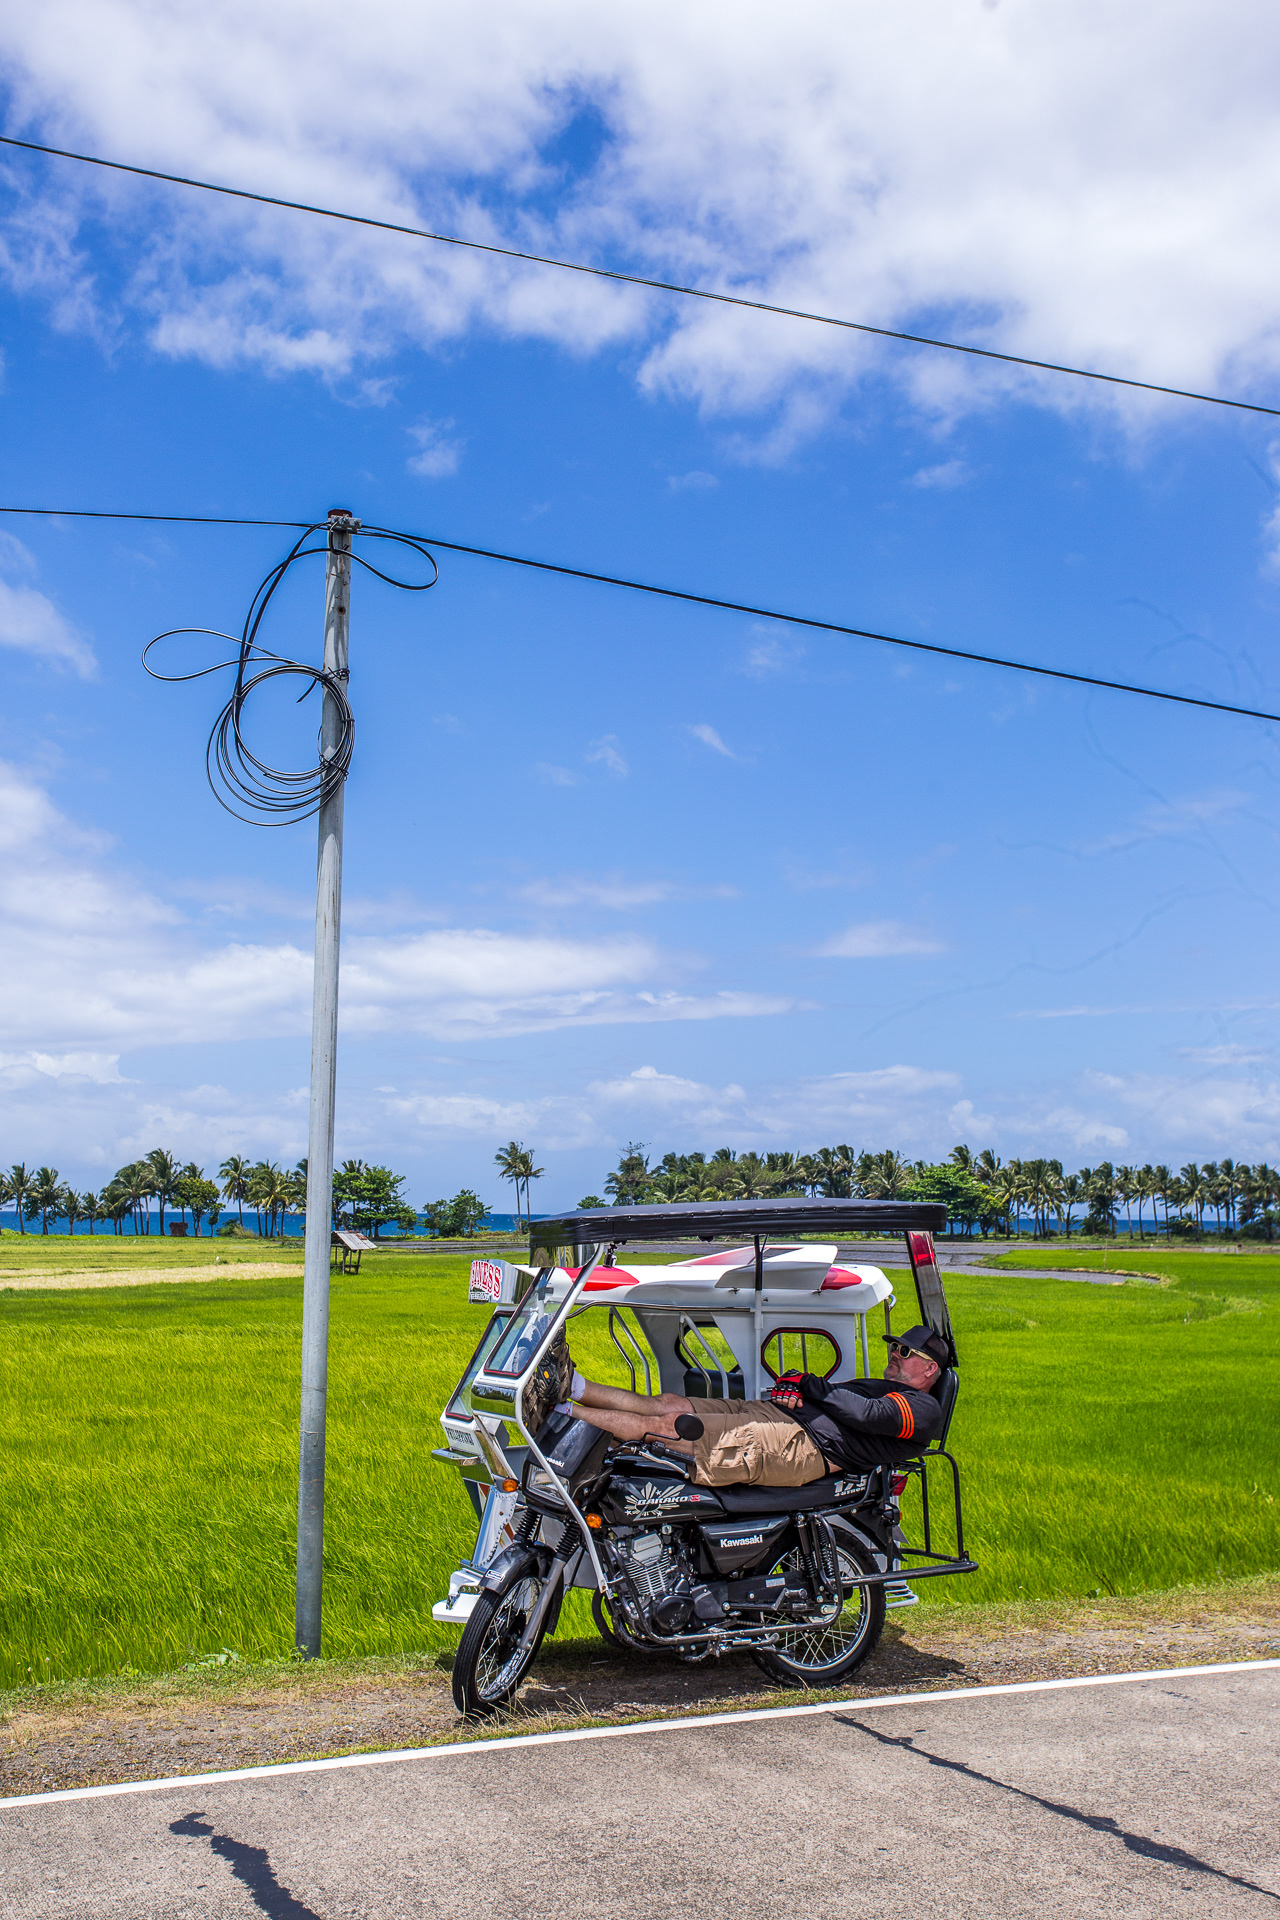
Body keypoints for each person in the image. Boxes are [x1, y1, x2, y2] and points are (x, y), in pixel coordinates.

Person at [562, 1325, 949, 1488]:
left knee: (669, 1426)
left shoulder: (923, 1408)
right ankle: (569, 1386)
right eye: (893, 1347)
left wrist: (809, 1385)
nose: (894, 1354)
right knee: (671, 1403)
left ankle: (560, 1416)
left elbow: (867, 1416)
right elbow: (839, 1403)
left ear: (930, 1368)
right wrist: (798, 1395)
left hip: (801, 1446)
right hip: (782, 1418)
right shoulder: (884, 1385)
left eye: (905, 1351)